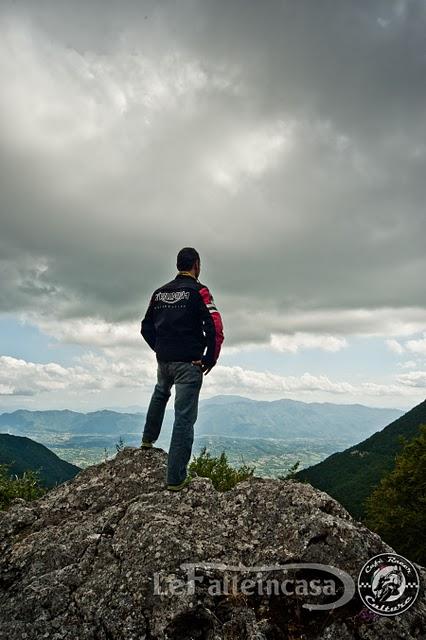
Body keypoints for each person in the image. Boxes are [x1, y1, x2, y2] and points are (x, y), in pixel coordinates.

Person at [140, 247, 224, 491]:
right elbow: (215, 327)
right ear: (196, 264)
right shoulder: (200, 291)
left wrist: (160, 348)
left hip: (164, 361)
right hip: (189, 363)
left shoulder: (159, 293)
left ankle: (147, 440)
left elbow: (145, 327)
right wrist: (210, 358)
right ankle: (175, 480)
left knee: (160, 393)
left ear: (178, 265)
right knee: (184, 418)